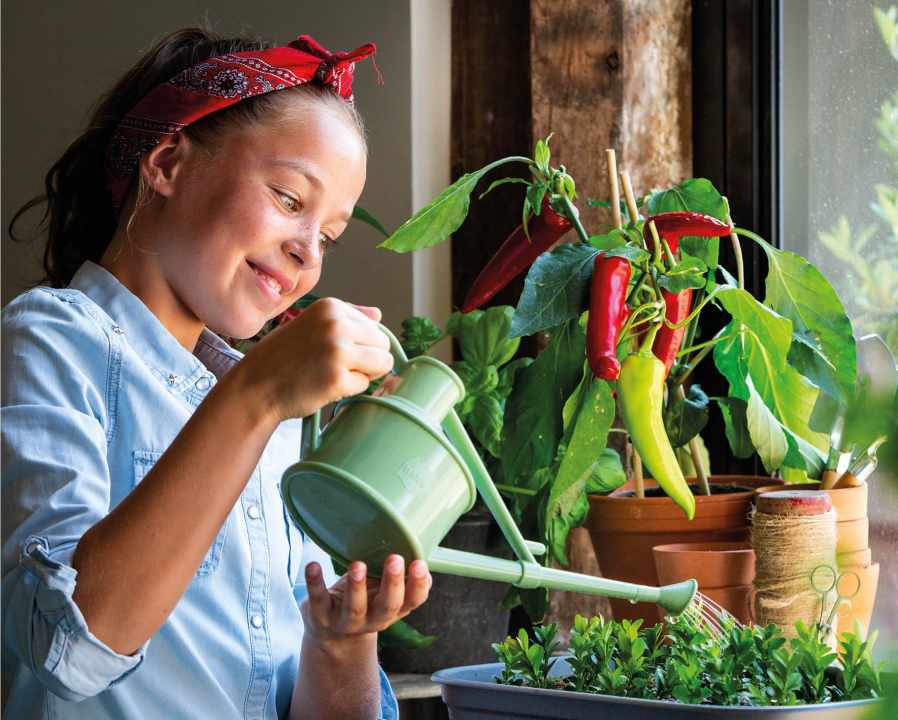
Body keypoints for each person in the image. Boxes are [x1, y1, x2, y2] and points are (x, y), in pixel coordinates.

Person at [1, 27, 431, 720]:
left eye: (328, 236)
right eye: (291, 200)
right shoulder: (50, 339)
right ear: (167, 162)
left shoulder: (279, 413)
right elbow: (66, 649)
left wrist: (342, 641)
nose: (307, 255)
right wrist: (256, 396)